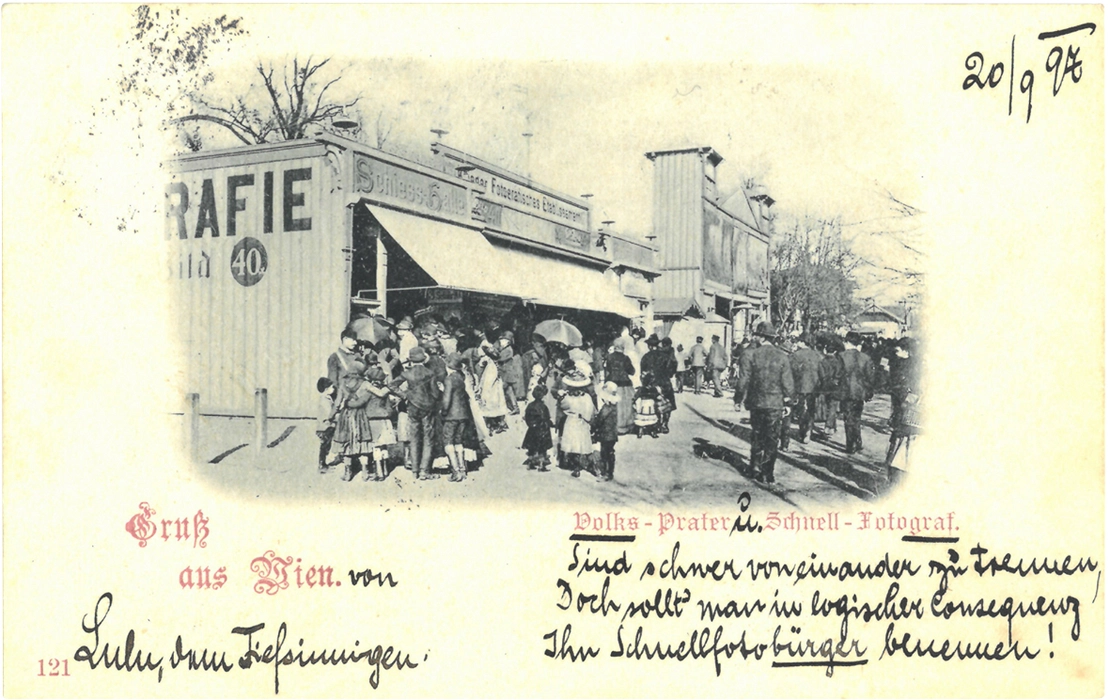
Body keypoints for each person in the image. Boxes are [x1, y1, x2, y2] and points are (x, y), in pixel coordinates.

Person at [736, 321, 794, 484]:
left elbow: (743, 379)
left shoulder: (751, 355)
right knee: (772, 438)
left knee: (757, 434)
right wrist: (788, 402)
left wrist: (738, 399)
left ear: (761, 337)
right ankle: (767, 473)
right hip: (775, 403)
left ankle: (755, 467)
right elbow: (788, 383)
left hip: (756, 402)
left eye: (757, 335)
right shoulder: (782, 356)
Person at [392, 346, 442, 480]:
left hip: (412, 407)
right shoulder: (429, 373)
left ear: (411, 360)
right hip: (428, 408)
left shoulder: (407, 373)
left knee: (413, 438)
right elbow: (436, 394)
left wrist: (404, 395)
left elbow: (392, 385)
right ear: (423, 359)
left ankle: (415, 471)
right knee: (428, 439)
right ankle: (425, 471)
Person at [838, 331, 875, 454]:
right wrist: (869, 391)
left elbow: (837, 374)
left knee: (848, 417)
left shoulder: (841, 356)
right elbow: (870, 377)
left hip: (846, 391)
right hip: (860, 392)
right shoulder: (865, 358)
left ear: (847, 342)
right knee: (857, 417)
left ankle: (851, 444)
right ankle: (858, 441)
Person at [358, 365, 396, 481]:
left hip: (373, 421)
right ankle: (385, 469)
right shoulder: (385, 392)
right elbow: (390, 407)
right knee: (383, 446)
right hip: (385, 421)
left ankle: (379, 472)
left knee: (376, 447)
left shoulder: (368, 392)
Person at [556, 371, 596, 477]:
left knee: (572, 443)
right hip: (582, 421)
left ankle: (574, 465)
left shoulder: (568, 397)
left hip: (571, 421)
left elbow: (563, 406)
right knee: (582, 443)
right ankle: (586, 464)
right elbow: (590, 410)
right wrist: (587, 418)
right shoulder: (586, 397)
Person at [441, 352, 473, 482]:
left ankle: (455, 471)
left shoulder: (449, 379)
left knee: (448, 442)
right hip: (463, 414)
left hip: (451, 415)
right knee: (459, 441)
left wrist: (443, 412)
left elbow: (447, 400)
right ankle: (462, 469)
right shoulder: (461, 377)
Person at [789, 334, 823, 444]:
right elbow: (822, 372)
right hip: (814, 387)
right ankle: (808, 431)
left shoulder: (795, 355)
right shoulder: (817, 356)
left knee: (801, 409)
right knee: (811, 409)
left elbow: (791, 371)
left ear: (803, 342)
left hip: (799, 387)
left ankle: (802, 430)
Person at [475, 329, 509, 433]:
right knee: (495, 397)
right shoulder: (492, 348)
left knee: (490, 395)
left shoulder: (489, 351)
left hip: (491, 374)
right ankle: (497, 421)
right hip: (491, 372)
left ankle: (493, 422)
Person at [640, 335, 676, 433]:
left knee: (652, 404)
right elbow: (671, 371)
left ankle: (655, 424)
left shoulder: (645, 357)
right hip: (664, 383)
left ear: (649, 346)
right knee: (667, 403)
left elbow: (642, 372)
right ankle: (665, 424)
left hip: (651, 384)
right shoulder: (665, 356)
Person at [603, 344, 636, 434]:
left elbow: (607, 370)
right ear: (622, 348)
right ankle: (626, 425)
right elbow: (632, 371)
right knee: (626, 405)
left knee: (615, 405)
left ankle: (616, 426)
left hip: (612, 383)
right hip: (625, 383)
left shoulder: (609, 357)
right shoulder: (626, 358)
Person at [521, 385, 554, 471]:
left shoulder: (530, 405)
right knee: (542, 448)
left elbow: (527, 417)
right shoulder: (543, 407)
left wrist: (531, 424)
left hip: (532, 429)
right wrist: (550, 423)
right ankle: (541, 465)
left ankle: (531, 463)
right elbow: (546, 417)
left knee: (532, 447)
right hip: (542, 429)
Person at [592, 382, 620, 481]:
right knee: (610, 452)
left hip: (606, 435)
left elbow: (600, 419)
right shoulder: (614, 407)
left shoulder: (606, 408)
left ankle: (606, 473)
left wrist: (594, 424)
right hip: (612, 434)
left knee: (605, 453)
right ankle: (609, 472)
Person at [315, 377, 339, 473]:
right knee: (324, 447)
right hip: (325, 427)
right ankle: (322, 466)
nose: (333, 389)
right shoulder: (324, 400)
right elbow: (329, 414)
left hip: (324, 427)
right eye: (331, 387)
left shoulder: (327, 398)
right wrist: (337, 417)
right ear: (326, 389)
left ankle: (323, 465)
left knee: (325, 446)